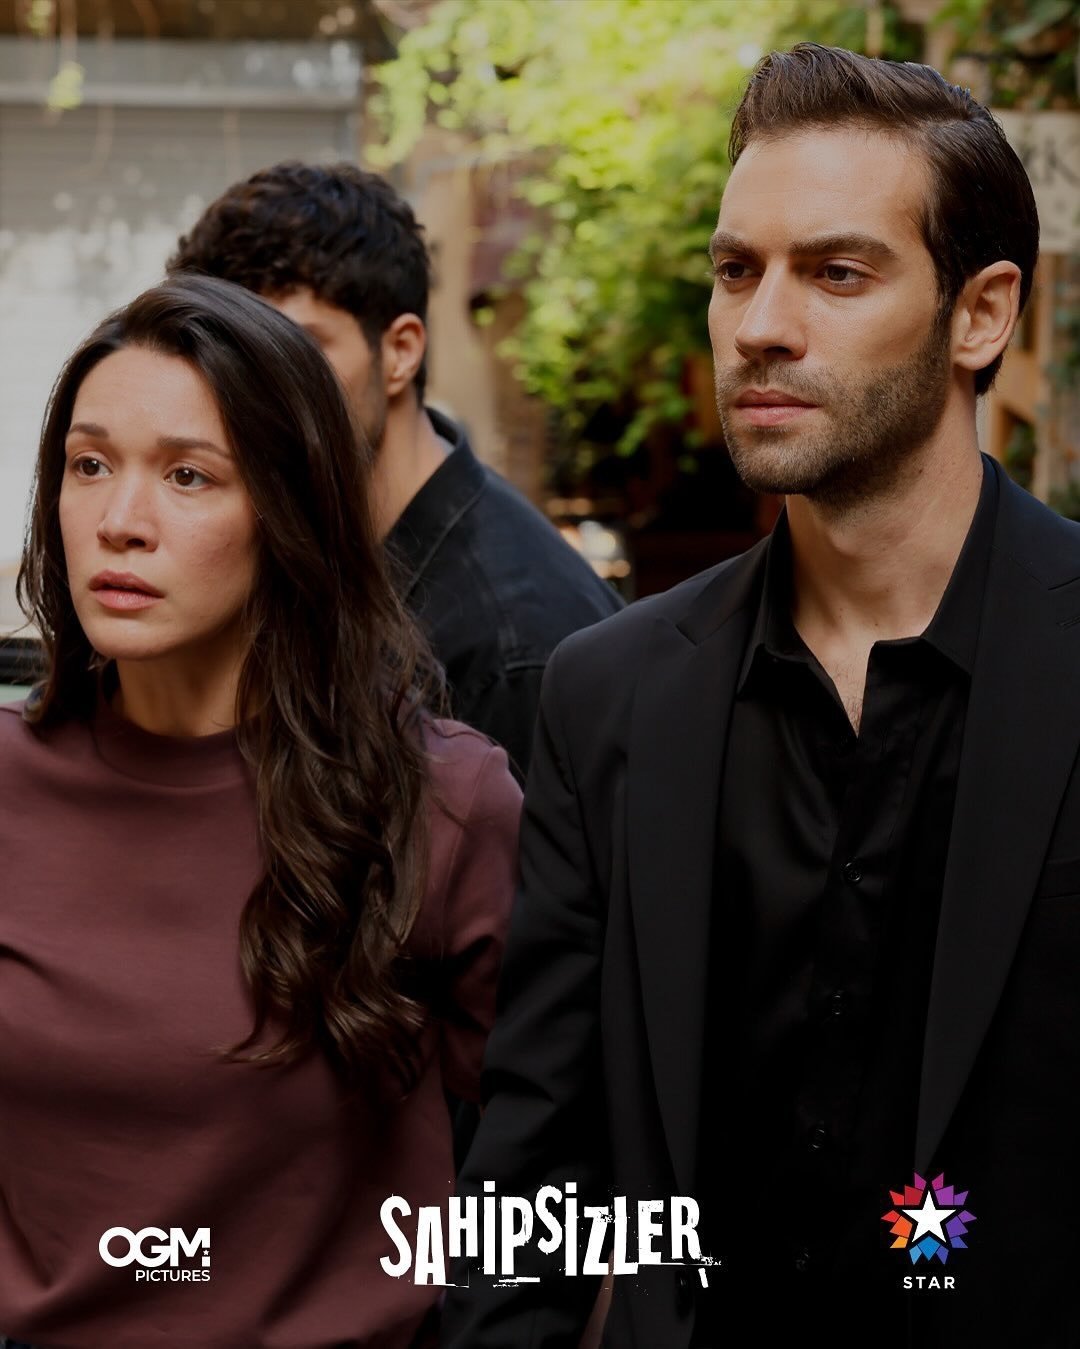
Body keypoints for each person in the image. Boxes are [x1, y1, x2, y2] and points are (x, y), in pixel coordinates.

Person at [439, 43, 1075, 1349]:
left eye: (837, 272)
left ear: (981, 314)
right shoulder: (608, 694)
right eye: (736, 271)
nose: (759, 325)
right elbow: (533, 1180)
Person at [0, 273, 521, 1349]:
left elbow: (579, 1157)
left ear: (289, 510)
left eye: (188, 475)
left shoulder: (440, 801)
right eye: (89, 465)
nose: (120, 522)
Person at [167, 163, 622, 783]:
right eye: (231, 358)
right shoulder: (319, 555)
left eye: (296, 349)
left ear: (400, 352)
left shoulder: (512, 649)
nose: (259, 390)